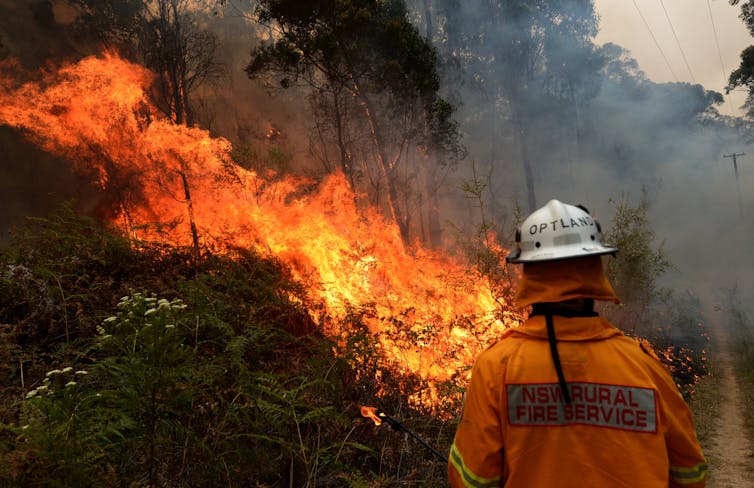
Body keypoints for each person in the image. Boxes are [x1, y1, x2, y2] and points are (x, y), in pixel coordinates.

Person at [448, 199, 707, 488]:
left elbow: (473, 479)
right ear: (594, 269)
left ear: (529, 273)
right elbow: (690, 473)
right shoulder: (643, 366)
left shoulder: (497, 367)